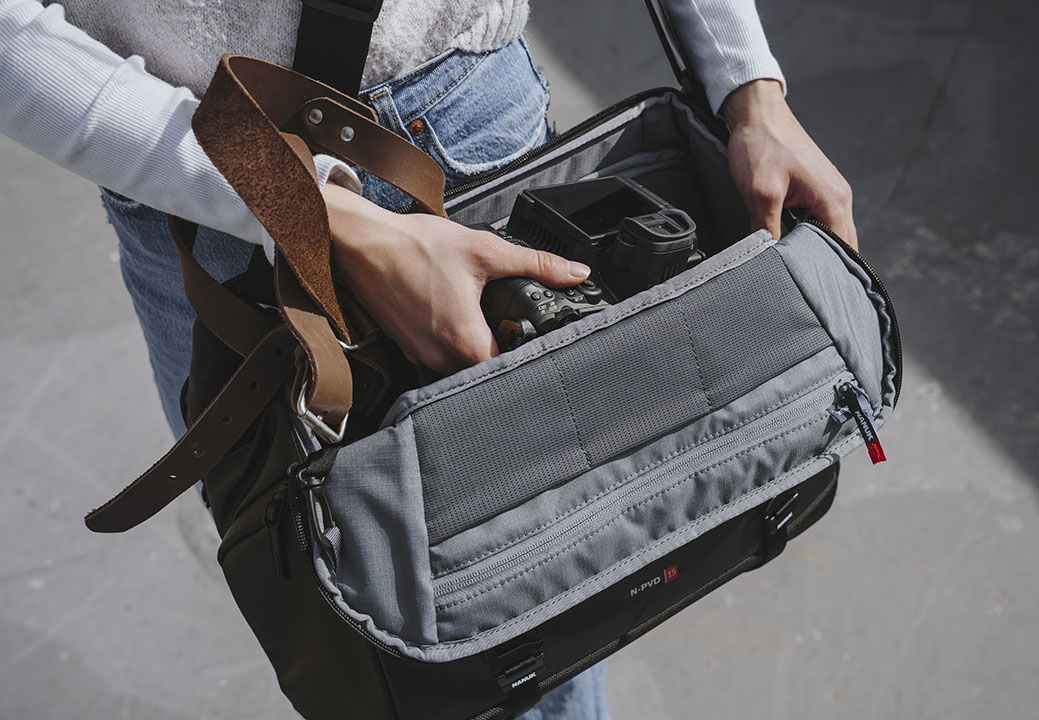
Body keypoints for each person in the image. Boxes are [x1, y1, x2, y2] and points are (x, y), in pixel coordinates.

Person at [0, 1, 857, 718]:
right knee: (386, 651)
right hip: (205, 184)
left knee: (541, 610)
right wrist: (313, 210)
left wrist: (748, 87)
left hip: (456, 132)